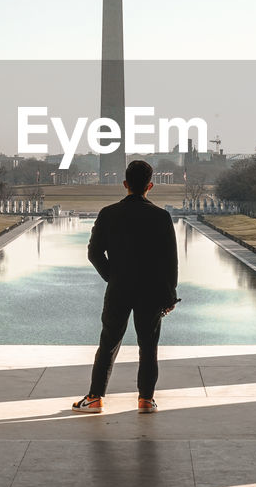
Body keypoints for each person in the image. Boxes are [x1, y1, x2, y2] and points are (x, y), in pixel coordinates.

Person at [73, 159, 179, 413]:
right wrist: (169, 296)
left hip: (120, 288)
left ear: (125, 184)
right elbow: (170, 261)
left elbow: (94, 253)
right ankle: (145, 399)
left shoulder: (108, 213)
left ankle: (95, 397)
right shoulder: (161, 216)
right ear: (150, 186)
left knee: (108, 343)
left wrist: (113, 276)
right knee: (148, 346)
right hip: (151, 291)